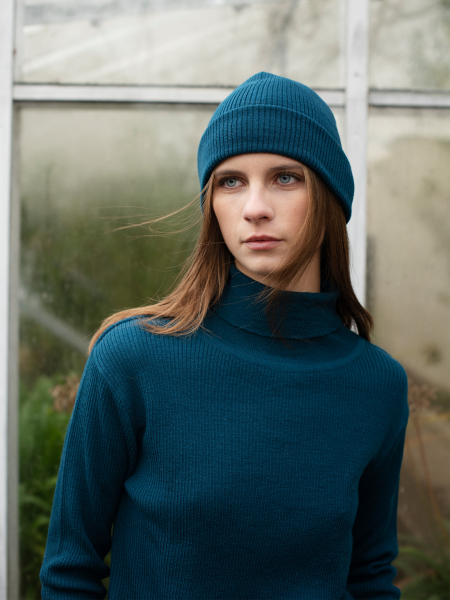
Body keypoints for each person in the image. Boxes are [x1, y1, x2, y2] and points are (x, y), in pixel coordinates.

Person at [40, 72, 409, 600]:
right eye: (230, 181)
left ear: (330, 197)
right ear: (211, 204)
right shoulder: (132, 359)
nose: (255, 207)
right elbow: (68, 573)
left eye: (286, 177)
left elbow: (370, 577)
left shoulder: (378, 385)